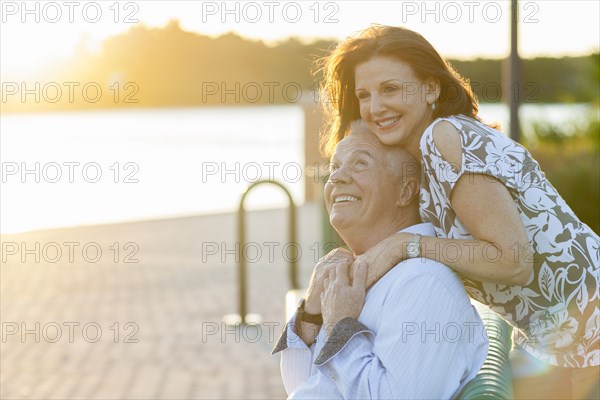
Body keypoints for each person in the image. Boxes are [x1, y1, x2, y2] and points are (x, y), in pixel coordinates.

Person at [318, 24, 599, 399]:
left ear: (431, 88)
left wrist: (406, 245)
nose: (374, 107)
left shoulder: (443, 138)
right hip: (558, 341)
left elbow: (513, 260)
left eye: (390, 89)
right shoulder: (424, 163)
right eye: (364, 94)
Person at [271, 121, 488, 399]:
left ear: (406, 191)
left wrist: (340, 327)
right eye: (335, 167)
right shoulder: (369, 273)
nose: (336, 178)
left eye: (360, 163)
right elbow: (302, 386)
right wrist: (312, 312)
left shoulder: (423, 281)